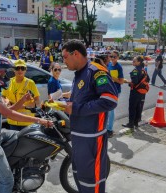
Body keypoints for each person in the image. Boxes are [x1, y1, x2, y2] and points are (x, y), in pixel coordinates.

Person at [0, 55, 53, 193]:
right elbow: (9, 114)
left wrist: (22, 101)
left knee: (26, 137)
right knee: (7, 180)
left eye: (4, 71)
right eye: (0, 71)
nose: (4, 73)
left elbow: (8, 110)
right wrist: (39, 120)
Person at [61, 40, 118, 193]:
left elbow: (110, 101)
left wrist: (77, 109)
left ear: (76, 54)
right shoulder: (79, 74)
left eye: (65, 57)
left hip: (92, 138)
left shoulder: (96, 71)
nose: (63, 61)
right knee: (80, 178)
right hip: (78, 137)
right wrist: (66, 104)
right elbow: (82, 99)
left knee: (92, 182)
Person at [1, 59, 40, 131]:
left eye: (22, 68)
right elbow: (3, 96)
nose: (20, 70)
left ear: (25, 70)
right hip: (13, 119)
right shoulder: (9, 82)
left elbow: (37, 101)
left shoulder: (30, 83)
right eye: (17, 68)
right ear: (14, 70)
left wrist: (27, 106)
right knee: (15, 141)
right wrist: (6, 102)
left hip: (26, 121)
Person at [122, 56, 149, 131]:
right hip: (141, 92)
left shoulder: (135, 70)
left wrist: (128, 83)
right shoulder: (143, 69)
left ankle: (131, 123)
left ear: (139, 62)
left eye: (134, 61)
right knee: (138, 107)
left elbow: (135, 82)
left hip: (135, 91)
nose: (132, 62)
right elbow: (148, 79)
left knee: (132, 107)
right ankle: (136, 123)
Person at [106, 51, 124, 137]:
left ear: (118, 58)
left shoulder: (119, 67)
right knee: (106, 109)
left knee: (111, 110)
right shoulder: (108, 65)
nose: (112, 58)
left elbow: (121, 81)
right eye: (111, 56)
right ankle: (106, 127)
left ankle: (109, 129)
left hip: (116, 91)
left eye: (114, 57)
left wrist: (113, 78)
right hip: (108, 90)